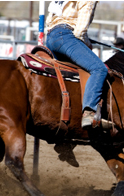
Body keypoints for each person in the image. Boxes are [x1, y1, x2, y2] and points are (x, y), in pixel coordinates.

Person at [46, 1, 108, 129]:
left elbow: (48, 20)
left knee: (69, 75)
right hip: (66, 36)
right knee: (99, 69)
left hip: (52, 37)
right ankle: (89, 112)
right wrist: (87, 43)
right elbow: (80, 31)